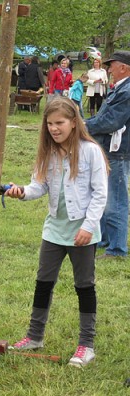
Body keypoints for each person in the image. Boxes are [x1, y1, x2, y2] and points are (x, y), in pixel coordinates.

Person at [6, 96, 108, 369]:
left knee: (84, 286)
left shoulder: (90, 151)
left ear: (74, 123)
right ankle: (35, 336)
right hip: (54, 230)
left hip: (82, 233)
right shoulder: (48, 152)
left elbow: (100, 194)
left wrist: (88, 227)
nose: (54, 128)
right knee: (43, 283)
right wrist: (21, 192)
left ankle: (86, 345)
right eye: (49, 123)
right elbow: (38, 186)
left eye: (59, 123)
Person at [85, 51, 130, 259]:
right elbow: (104, 116)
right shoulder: (119, 88)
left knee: (116, 201)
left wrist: (83, 126)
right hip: (108, 150)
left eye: (112, 65)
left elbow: (112, 121)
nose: (109, 69)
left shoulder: (127, 91)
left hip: (117, 153)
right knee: (103, 198)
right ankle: (104, 239)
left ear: (124, 68)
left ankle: (117, 249)